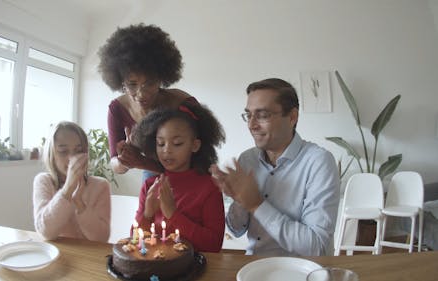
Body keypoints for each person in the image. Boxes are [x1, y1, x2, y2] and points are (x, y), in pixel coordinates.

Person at [210, 78, 340, 256]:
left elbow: (316, 246)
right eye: (248, 115)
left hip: (302, 271)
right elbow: (236, 230)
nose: (251, 124)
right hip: (254, 265)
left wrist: (256, 204)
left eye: (262, 115)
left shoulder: (319, 162)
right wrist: (240, 201)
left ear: (292, 117)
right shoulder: (248, 159)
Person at [97, 23, 197, 180]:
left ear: (161, 79)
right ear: (121, 82)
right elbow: (115, 164)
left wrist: (141, 161)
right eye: (132, 84)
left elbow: (197, 161)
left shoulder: (183, 105)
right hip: (151, 174)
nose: (141, 94)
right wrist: (126, 159)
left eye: (149, 83)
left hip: (190, 176)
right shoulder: (117, 110)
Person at [130, 103, 226, 252]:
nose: (166, 150)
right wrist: (148, 214)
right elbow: (134, 241)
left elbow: (213, 245)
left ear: (194, 145)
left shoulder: (209, 187)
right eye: (160, 143)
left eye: (177, 143)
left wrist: (172, 214)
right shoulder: (150, 186)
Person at [33, 121, 111, 243]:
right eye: (63, 151)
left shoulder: (100, 186)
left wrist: (79, 203)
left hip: (89, 256)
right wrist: (68, 190)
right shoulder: (44, 181)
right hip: (55, 254)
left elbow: (101, 238)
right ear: (52, 154)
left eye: (78, 151)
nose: (72, 158)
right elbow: (45, 232)